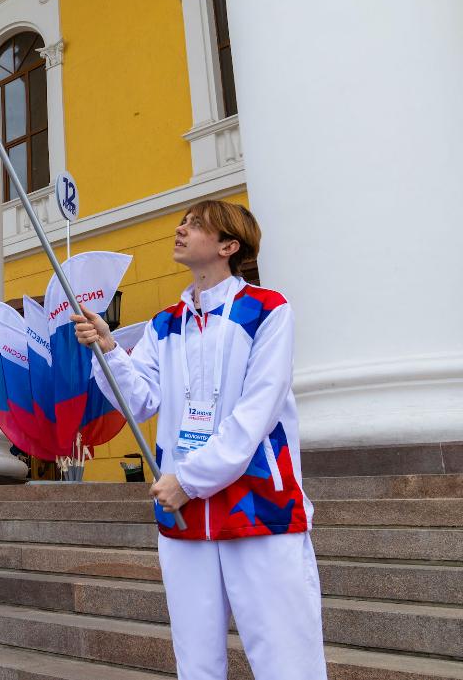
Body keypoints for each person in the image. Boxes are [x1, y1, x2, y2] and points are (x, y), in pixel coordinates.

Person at [71, 200, 326, 679]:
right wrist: (108, 349)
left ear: (229, 246)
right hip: (184, 516)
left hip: (258, 508)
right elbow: (140, 400)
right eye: (183, 221)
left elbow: (257, 413)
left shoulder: (267, 309)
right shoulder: (165, 323)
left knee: (286, 660)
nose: (180, 229)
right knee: (196, 663)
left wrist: (189, 479)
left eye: (195, 225)